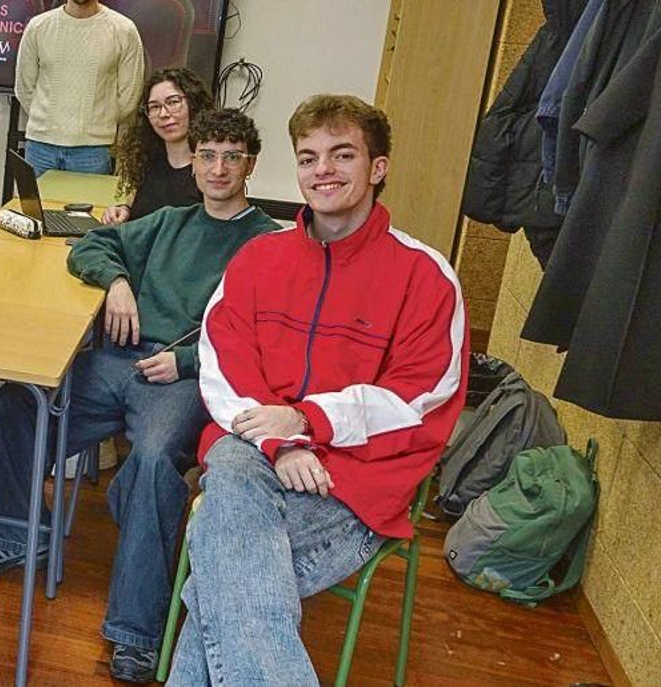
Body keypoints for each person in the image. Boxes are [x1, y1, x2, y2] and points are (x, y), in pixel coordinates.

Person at [0, 108, 278, 681]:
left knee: (153, 460)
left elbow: (263, 339)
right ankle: (13, 537)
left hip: (184, 377)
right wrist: (120, 283)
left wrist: (182, 359)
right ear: (194, 165)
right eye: (208, 156)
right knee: (20, 401)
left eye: (232, 157)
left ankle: (135, 631)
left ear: (250, 166)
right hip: (123, 360)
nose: (219, 168)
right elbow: (94, 246)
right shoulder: (172, 221)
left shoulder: (268, 245)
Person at [168, 95, 466, 685]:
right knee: (233, 483)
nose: (322, 170)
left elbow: (420, 396)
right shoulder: (258, 259)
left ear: (377, 167)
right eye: (308, 158)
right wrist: (281, 441)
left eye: (341, 154)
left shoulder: (425, 275)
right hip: (256, 459)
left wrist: (306, 421)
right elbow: (221, 362)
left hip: (354, 484)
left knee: (221, 572)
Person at [15, 0, 145, 176]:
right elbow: (24, 88)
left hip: (94, 151)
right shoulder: (38, 27)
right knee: (36, 214)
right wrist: (50, 123)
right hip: (40, 147)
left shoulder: (124, 30)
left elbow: (129, 96)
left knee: (88, 215)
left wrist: (95, 124)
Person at [101, 67, 215, 225]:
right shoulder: (146, 157)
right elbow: (138, 203)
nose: (163, 114)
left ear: (193, 103)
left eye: (173, 102)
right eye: (154, 107)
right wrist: (124, 209)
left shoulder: (214, 168)